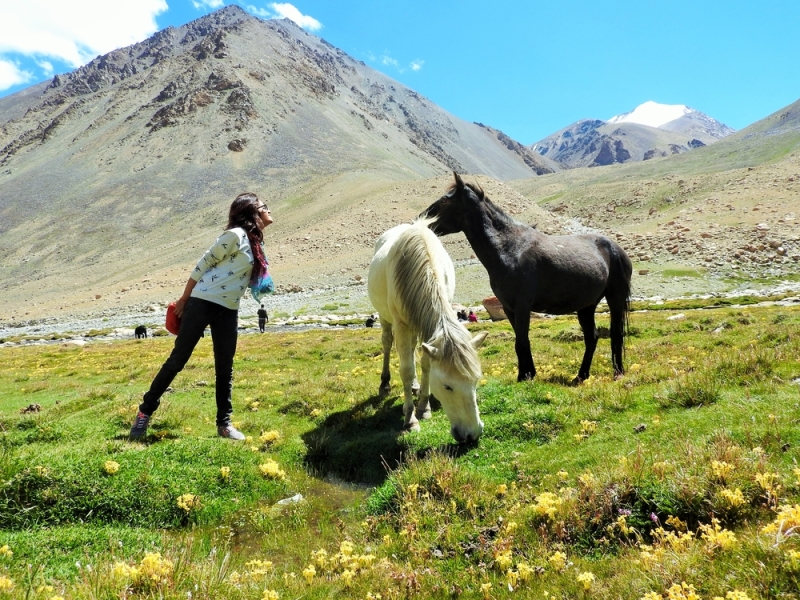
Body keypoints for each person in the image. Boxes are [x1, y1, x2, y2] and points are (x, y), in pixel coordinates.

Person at [130, 193, 274, 441]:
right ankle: (144, 412)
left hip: (228, 309)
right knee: (178, 360)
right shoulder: (235, 236)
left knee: (225, 368)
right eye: (264, 206)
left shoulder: (253, 242)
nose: (268, 210)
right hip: (202, 302)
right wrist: (184, 300)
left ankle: (224, 425)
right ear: (252, 212)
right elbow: (202, 265)